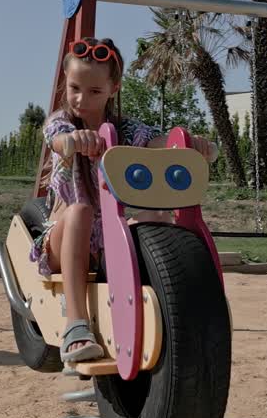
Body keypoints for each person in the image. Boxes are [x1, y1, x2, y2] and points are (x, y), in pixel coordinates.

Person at [29, 37, 213, 363]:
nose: (81, 99)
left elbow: (157, 142)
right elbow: (57, 140)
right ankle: (76, 322)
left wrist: (185, 143)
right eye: (74, 88)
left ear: (113, 88)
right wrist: (74, 140)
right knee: (81, 210)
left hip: (107, 240)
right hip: (65, 238)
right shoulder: (62, 122)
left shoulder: (125, 131)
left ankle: (175, 303)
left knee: (155, 218)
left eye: (94, 92)